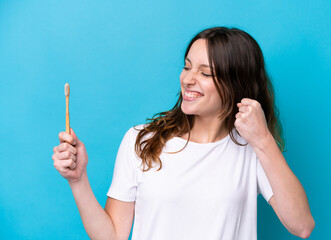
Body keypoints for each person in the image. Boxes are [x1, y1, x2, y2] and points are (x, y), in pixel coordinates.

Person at [52, 26, 315, 240]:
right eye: (187, 66)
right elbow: (111, 237)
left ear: (237, 84)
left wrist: (264, 140)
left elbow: (301, 226)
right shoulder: (141, 140)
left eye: (205, 73)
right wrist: (78, 180)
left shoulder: (254, 150)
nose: (188, 79)